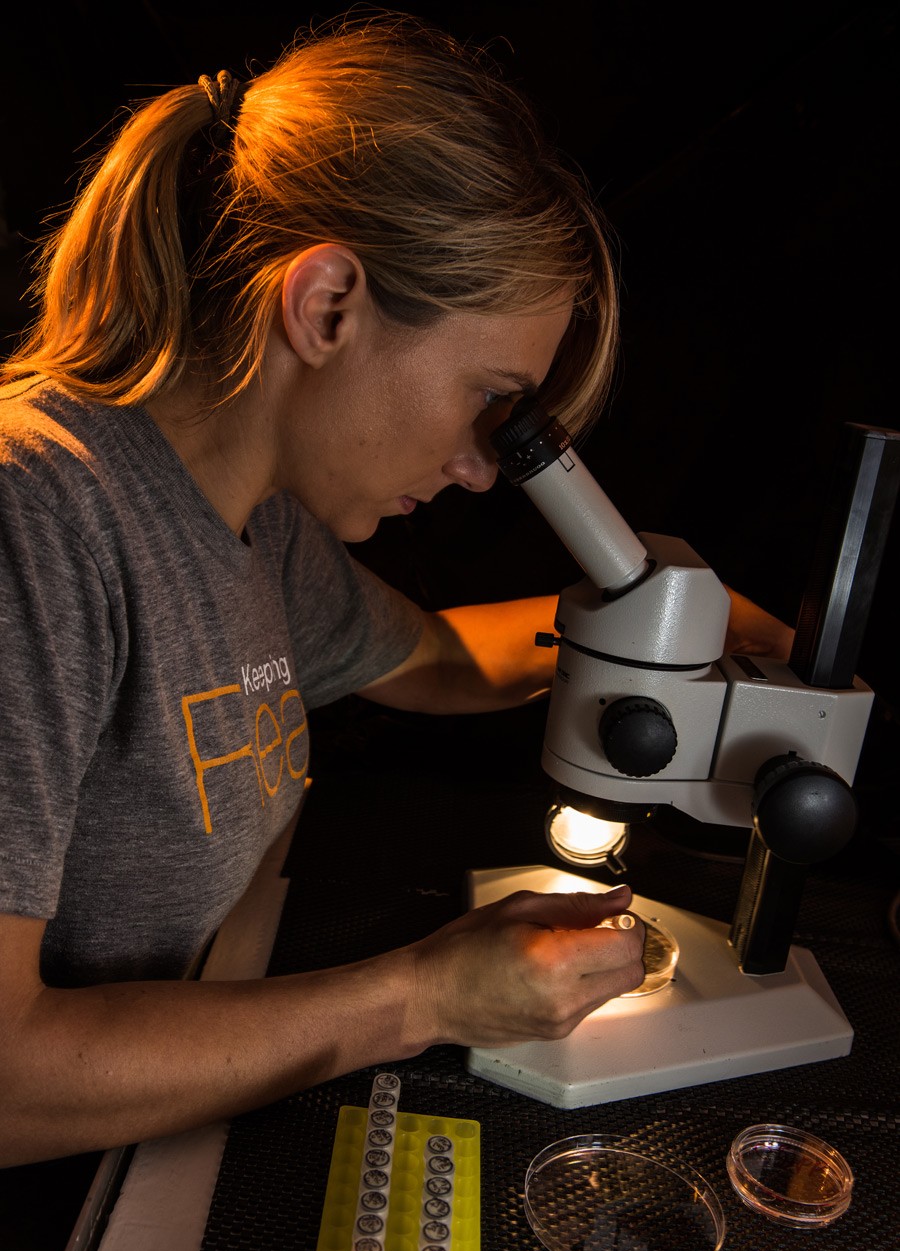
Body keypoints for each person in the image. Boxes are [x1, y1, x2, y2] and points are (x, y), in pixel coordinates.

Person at [0, 12, 789, 1171]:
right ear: (327, 306)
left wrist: (680, 626)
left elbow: (439, 660)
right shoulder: (37, 515)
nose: (481, 468)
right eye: (486, 396)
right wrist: (427, 994)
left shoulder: (253, 520)